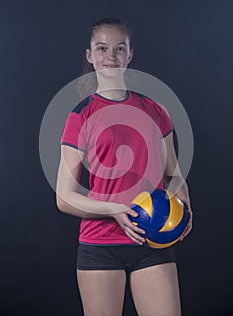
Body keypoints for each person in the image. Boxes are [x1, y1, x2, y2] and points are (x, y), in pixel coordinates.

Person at [56, 17, 193, 316]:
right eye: (102, 48)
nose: (111, 56)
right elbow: (64, 197)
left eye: (120, 48)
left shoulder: (155, 110)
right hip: (100, 244)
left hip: (152, 241)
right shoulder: (81, 115)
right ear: (90, 56)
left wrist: (184, 206)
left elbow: (174, 173)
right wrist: (114, 209)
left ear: (130, 54)